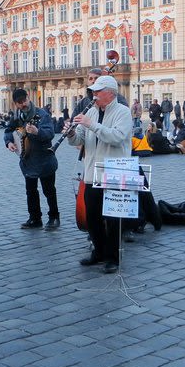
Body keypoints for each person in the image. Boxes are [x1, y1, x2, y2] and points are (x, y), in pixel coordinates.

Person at [65, 75, 132, 274]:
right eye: (93, 91)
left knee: (112, 219)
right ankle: (99, 252)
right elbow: (80, 140)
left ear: (110, 93)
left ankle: (113, 257)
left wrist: (90, 124)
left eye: (98, 91)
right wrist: (70, 134)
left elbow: (117, 137)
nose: (93, 95)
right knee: (92, 217)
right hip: (91, 172)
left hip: (114, 172)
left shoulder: (123, 112)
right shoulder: (92, 112)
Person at [4, 88, 59, 230]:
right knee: (31, 191)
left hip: (44, 159)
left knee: (49, 190)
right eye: (19, 103)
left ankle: (54, 217)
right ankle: (35, 218)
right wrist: (9, 142)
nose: (23, 104)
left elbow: (50, 134)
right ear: (15, 104)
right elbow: (9, 131)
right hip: (27, 160)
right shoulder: (17, 116)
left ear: (28, 98)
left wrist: (37, 131)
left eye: (24, 101)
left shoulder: (42, 114)